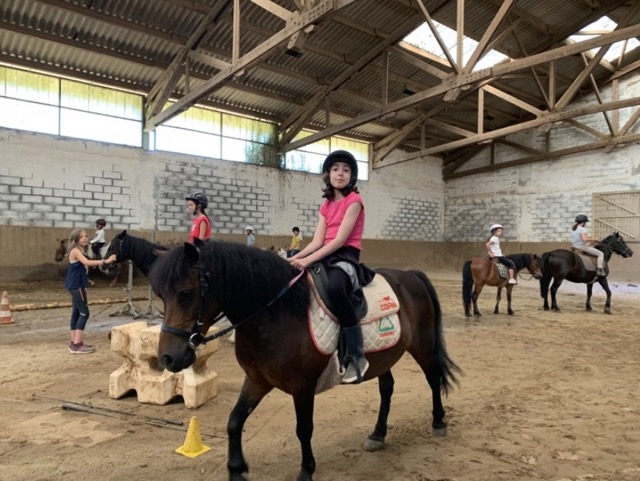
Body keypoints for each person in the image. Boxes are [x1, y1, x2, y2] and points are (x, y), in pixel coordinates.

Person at [289, 150, 374, 384]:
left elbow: (338, 241)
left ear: (352, 176)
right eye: (336, 169)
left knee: (336, 287)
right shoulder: (326, 204)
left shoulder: (354, 201)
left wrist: (307, 261)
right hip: (324, 253)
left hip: (345, 255)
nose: (340, 174)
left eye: (346, 170)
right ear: (329, 174)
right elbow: (317, 241)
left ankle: (357, 355)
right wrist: (293, 258)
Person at [65, 229, 117, 354]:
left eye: (86, 236)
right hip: (77, 286)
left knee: (76, 312)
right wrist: (106, 261)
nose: (85, 238)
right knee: (84, 313)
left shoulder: (80, 251)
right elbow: (87, 262)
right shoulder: (76, 251)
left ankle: (74, 342)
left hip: (76, 285)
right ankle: (77, 344)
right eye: (81, 237)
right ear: (76, 239)